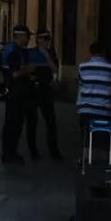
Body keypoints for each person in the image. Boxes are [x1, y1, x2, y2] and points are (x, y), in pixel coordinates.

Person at [0, 25, 36, 165]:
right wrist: (28, 70)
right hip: (15, 92)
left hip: (18, 91)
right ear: (20, 36)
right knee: (13, 124)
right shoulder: (14, 51)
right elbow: (14, 74)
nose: (29, 39)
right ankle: (9, 153)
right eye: (27, 36)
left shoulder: (18, 50)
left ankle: (11, 152)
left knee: (16, 123)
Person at [26, 30, 62, 160]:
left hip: (46, 90)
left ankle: (54, 151)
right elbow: (25, 68)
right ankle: (33, 151)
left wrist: (47, 56)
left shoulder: (51, 53)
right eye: (44, 38)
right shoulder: (30, 52)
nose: (47, 41)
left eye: (48, 38)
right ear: (38, 40)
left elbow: (55, 69)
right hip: (33, 89)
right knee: (32, 121)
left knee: (51, 122)